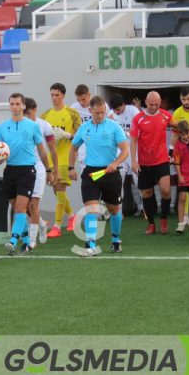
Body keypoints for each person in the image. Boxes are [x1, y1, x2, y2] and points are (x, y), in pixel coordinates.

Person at [68, 96, 129, 256]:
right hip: (91, 173)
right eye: (97, 113)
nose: (100, 116)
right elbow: (73, 148)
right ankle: (91, 244)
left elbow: (125, 150)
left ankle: (115, 239)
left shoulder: (114, 127)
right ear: (90, 111)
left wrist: (115, 164)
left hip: (110, 173)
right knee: (91, 209)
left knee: (113, 209)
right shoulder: (84, 128)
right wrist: (71, 168)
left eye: (103, 112)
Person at [0, 93, 52, 255]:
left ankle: (13, 240)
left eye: (18, 104)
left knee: (21, 207)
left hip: (27, 170)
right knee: (16, 207)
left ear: (23, 106)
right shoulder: (2, 128)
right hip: (10, 170)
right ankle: (26, 242)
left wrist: (48, 170)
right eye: (12, 104)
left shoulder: (32, 126)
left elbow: (41, 150)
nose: (15, 107)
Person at [131, 91, 178, 235]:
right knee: (146, 193)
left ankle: (163, 220)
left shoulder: (166, 115)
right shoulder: (138, 118)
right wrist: (134, 161)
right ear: (146, 102)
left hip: (161, 159)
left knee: (165, 189)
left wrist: (170, 149)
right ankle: (151, 223)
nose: (154, 107)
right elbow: (133, 140)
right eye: (151, 104)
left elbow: (178, 129)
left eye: (157, 104)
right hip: (144, 162)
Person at [41, 83, 81, 238]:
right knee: (58, 192)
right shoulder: (45, 116)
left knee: (60, 190)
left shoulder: (72, 113)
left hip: (65, 158)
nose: (54, 98)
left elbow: (79, 136)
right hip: (51, 159)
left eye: (57, 95)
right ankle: (72, 217)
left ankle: (57, 226)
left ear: (63, 95)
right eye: (52, 94)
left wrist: (67, 135)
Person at [24, 97, 59, 249]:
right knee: (24, 206)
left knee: (33, 203)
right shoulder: (18, 125)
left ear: (35, 110)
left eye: (28, 112)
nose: (26, 115)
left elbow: (52, 150)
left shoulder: (44, 125)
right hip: (22, 166)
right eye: (24, 113)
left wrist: (53, 171)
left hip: (39, 166)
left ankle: (32, 240)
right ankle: (42, 224)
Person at [109, 93, 143, 214]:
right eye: (114, 110)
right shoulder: (110, 114)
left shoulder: (133, 110)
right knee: (119, 181)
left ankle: (144, 208)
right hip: (120, 152)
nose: (117, 112)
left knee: (138, 180)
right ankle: (119, 211)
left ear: (123, 105)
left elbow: (140, 129)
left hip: (134, 151)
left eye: (118, 109)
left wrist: (125, 134)